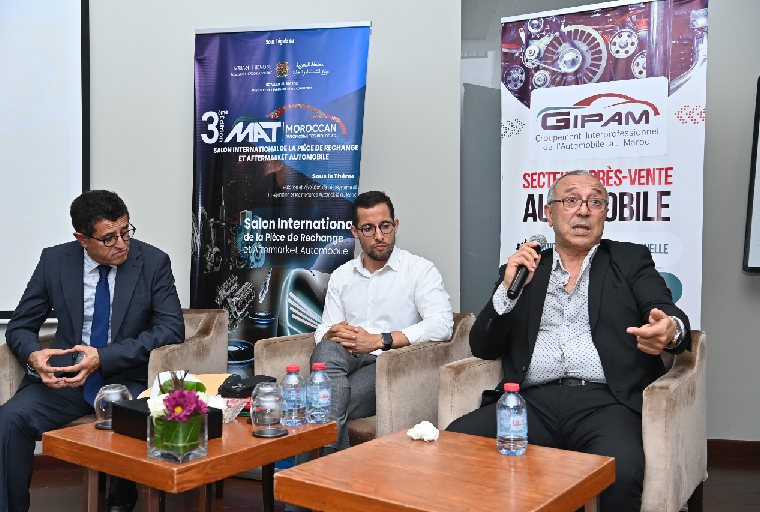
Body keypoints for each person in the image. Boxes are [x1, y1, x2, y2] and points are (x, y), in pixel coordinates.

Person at [447, 170, 691, 512]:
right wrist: (506, 291)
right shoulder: (525, 269)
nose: (583, 210)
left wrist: (670, 330)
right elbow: (482, 347)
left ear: (604, 214)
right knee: (455, 445)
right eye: (571, 200)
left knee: (621, 472)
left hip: (606, 403)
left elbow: (666, 310)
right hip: (530, 403)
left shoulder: (629, 259)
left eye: (595, 202)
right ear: (549, 213)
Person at [1, 190, 185, 512]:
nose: (122, 243)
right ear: (82, 239)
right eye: (109, 238)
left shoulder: (153, 262)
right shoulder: (55, 261)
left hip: (126, 377)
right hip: (69, 377)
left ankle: (121, 501)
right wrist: (33, 355)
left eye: (126, 231)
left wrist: (105, 357)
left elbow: (171, 329)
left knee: (133, 416)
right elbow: (20, 326)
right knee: (10, 418)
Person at [313, 190, 454, 451]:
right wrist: (331, 333)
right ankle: (327, 471)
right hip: (346, 356)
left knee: (322, 403)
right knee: (325, 349)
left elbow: (443, 324)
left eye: (385, 226)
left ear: (395, 225)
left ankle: (315, 471)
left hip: (386, 364)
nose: (379, 236)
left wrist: (379, 340)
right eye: (368, 228)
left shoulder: (419, 270)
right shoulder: (342, 275)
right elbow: (323, 327)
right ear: (355, 232)